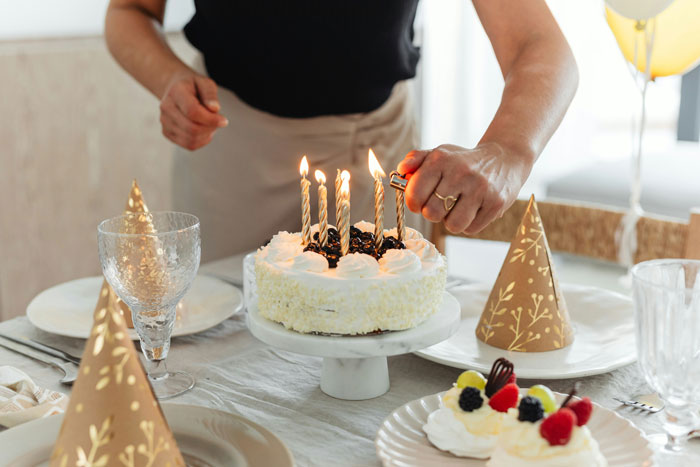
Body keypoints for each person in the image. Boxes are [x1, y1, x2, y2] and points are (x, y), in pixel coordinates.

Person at [105, 1, 577, 261]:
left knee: (378, 353)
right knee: (226, 354)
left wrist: (507, 149)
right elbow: (128, 11)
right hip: (233, 150)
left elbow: (539, 43)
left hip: (378, 142)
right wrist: (169, 79)